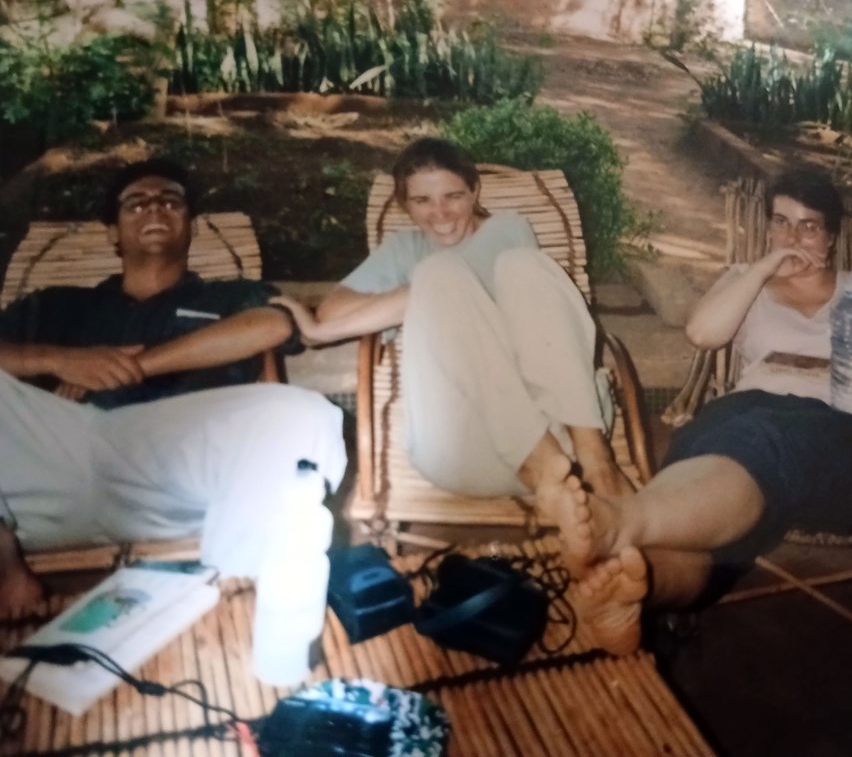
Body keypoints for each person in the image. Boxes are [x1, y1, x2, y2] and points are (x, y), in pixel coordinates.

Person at [539, 168, 852, 656]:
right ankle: (639, 591)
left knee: (762, 440)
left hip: (848, 433)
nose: (791, 237)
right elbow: (702, 334)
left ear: (831, 237)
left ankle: (619, 520)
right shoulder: (745, 279)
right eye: (780, 222)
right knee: (717, 456)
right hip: (746, 420)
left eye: (808, 226)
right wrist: (761, 270)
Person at [0, 158, 346, 614]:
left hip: (175, 466)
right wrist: (62, 360)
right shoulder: (61, 304)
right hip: (60, 457)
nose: (154, 208)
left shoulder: (229, 296)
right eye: (136, 203)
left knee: (307, 413)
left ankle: (237, 587)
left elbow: (274, 325)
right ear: (112, 232)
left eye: (170, 201)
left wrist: (135, 365)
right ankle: (5, 562)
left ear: (191, 226)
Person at [272, 137, 629, 500]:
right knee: (437, 275)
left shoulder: (508, 229)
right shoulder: (404, 249)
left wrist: (324, 331)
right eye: (422, 201)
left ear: (474, 191)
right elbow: (333, 309)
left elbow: (333, 320)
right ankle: (548, 473)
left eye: (453, 196)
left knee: (510, 267)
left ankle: (596, 464)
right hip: (463, 449)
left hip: (560, 437)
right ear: (405, 205)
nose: (439, 213)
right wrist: (401, 301)